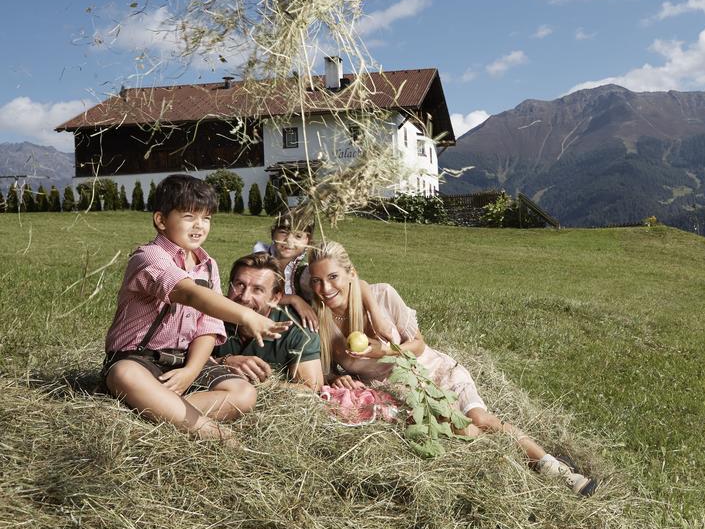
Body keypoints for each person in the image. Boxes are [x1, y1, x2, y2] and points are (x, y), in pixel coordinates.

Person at [307, 240, 598, 496]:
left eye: (333, 277)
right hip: (397, 389)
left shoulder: (382, 295)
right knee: (462, 430)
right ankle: (526, 454)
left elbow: (419, 345)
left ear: (351, 274)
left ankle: (556, 469)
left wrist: (385, 349)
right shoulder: (319, 319)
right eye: (317, 281)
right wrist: (339, 377)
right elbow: (325, 368)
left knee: (480, 418)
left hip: (430, 369)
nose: (325, 288)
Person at [102, 174, 291, 443]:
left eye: (206, 218)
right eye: (189, 216)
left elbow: (208, 325)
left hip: (183, 360)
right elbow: (188, 294)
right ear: (161, 220)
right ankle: (209, 431)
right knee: (124, 374)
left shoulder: (208, 264)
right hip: (139, 358)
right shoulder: (148, 257)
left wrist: (191, 370)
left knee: (243, 393)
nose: (199, 226)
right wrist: (247, 315)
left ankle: (158, 408)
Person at [214, 252, 329, 391]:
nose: (245, 297)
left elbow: (311, 388)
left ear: (275, 298)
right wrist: (224, 362)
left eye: (258, 289)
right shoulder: (211, 314)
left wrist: (257, 384)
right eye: (240, 285)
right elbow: (183, 361)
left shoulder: (298, 331)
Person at [253, 208, 317, 327]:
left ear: (308, 241)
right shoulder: (260, 259)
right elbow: (253, 295)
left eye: (298, 236)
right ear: (273, 233)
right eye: (283, 232)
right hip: (258, 322)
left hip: (296, 328)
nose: (289, 240)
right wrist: (293, 299)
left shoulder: (306, 270)